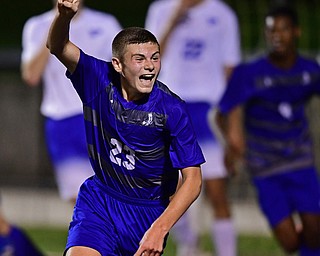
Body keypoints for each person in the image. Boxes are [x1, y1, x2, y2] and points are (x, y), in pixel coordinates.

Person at [46, 0, 205, 255]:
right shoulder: (98, 79)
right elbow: (58, 46)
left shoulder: (172, 109)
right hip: (100, 199)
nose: (150, 66)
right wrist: (64, 17)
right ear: (118, 65)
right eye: (139, 58)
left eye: (155, 58)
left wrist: (160, 228)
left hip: (147, 213)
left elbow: (193, 179)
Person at [217, 5, 320, 256]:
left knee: (315, 232)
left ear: (296, 32)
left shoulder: (309, 70)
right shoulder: (249, 74)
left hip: (300, 163)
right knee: (290, 242)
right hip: (265, 167)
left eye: (283, 29)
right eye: (271, 29)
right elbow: (224, 112)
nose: (277, 35)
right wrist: (233, 143)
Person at [145, 0, 241, 255]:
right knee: (166, 190)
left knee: (217, 190)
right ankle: (189, 242)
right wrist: (174, 19)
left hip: (208, 112)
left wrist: (233, 123)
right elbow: (147, 62)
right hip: (169, 109)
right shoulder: (160, 10)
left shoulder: (222, 14)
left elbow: (231, 71)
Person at [21, 0, 122, 205]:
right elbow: (31, 75)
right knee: (81, 203)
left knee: (118, 195)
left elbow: (125, 69)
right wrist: (58, 25)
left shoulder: (105, 24)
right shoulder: (37, 25)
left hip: (102, 118)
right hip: (63, 122)